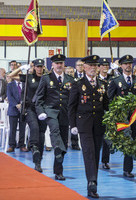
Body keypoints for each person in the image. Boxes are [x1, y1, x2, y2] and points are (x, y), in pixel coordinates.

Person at [69, 55, 109, 198]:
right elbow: (72, 106)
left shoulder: (103, 84)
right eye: (90, 65)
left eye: (95, 65)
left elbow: (106, 106)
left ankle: (92, 186)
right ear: (84, 67)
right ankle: (91, 181)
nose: (93, 68)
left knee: (96, 154)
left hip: (99, 124)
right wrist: (72, 125)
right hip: (84, 124)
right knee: (88, 152)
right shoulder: (78, 84)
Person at [35, 54, 75, 181]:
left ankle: (58, 171)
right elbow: (39, 98)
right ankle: (58, 147)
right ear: (52, 65)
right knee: (54, 130)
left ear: (64, 65)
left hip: (65, 113)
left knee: (63, 141)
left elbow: (73, 99)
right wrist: (40, 111)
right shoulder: (46, 78)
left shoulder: (70, 79)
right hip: (50, 112)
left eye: (61, 63)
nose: (59, 65)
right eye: (56, 63)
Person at [107, 54, 136, 178]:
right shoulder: (116, 81)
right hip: (122, 116)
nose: (128, 65)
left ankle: (128, 168)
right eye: (126, 64)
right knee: (127, 138)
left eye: (130, 63)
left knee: (133, 138)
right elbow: (110, 98)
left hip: (135, 115)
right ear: (121, 66)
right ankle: (127, 168)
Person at [8, 59, 47, 172]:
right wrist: (21, 68)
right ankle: (34, 147)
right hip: (30, 108)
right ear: (34, 67)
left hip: (43, 109)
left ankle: (38, 161)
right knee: (34, 127)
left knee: (41, 134)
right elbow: (10, 76)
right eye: (37, 66)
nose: (39, 68)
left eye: (41, 66)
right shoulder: (29, 77)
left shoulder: (46, 78)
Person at [6, 65, 29, 153]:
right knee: (13, 128)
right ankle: (12, 145)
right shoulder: (10, 85)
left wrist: (22, 104)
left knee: (22, 128)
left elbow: (27, 95)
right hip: (13, 109)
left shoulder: (26, 84)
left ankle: (22, 145)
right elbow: (9, 97)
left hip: (23, 109)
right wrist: (16, 105)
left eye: (20, 74)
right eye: (17, 74)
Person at [98, 58, 114, 169]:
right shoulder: (96, 79)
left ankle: (105, 160)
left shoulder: (112, 79)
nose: (105, 67)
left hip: (109, 110)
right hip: (98, 110)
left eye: (106, 65)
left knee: (107, 134)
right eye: (102, 65)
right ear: (99, 67)